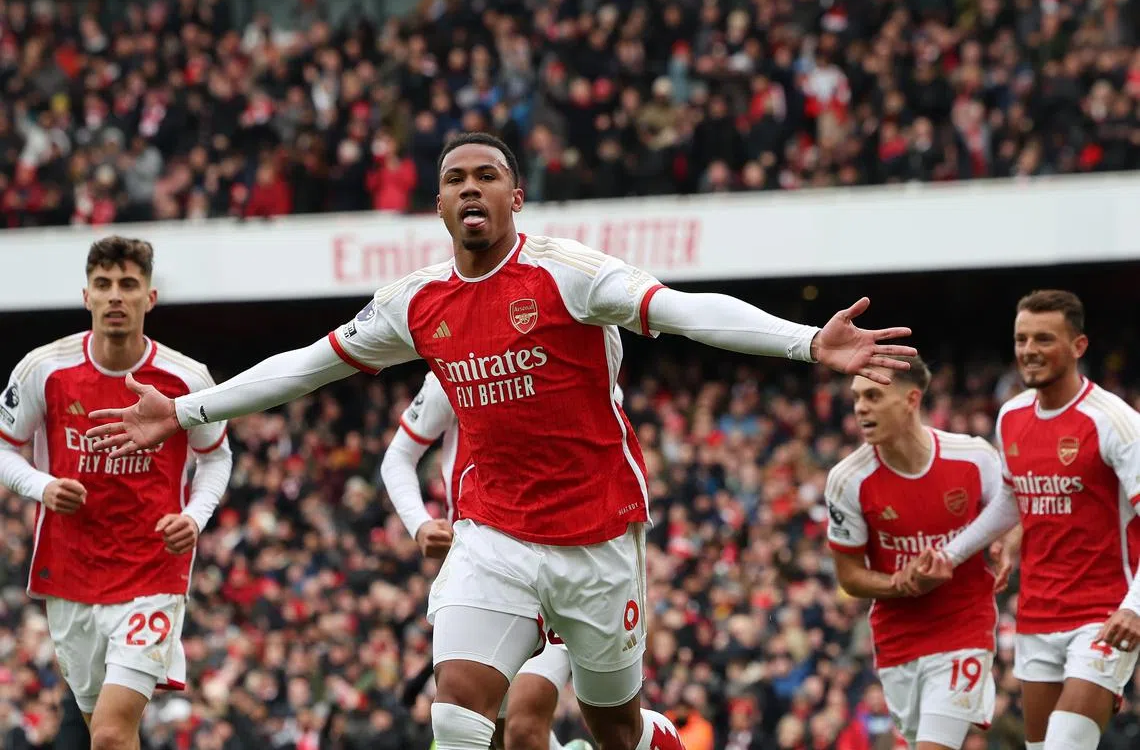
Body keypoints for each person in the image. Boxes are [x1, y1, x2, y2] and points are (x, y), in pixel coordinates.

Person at [84, 132, 914, 750]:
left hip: (597, 535)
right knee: (457, 709)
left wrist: (809, 342)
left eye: (488, 176)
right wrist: (187, 412)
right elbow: (308, 366)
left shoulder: (566, 273)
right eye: (455, 180)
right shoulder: (417, 303)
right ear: (438, 206)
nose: (471, 188)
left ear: (516, 198)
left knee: (613, 729)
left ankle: (657, 735)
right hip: (493, 534)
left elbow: (687, 309)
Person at [0, 237, 232, 750]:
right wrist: (42, 486)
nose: (115, 297)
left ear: (149, 297)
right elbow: (4, 448)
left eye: (128, 285)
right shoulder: (45, 369)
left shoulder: (184, 378)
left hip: (153, 569)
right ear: (87, 297)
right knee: (103, 732)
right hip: (71, 573)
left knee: (108, 733)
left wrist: (194, 517)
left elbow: (216, 456)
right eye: (103, 286)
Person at [909, 290, 1140, 750]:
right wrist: (950, 555)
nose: (1029, 350)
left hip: (1104, 614)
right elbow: (1012, 502)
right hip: (1036, 614)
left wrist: (1135, 607)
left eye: (1044, 339)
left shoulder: (1113, 422)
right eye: (1021, 339)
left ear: (1078, 347)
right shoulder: (1011, 416)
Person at [381, 369, 602, 750]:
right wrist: (419, 525)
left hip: (557, 563)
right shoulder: (456, 371)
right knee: (493, 731)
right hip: (482, 572)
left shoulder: (570, 358)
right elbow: (398, 456)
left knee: (521, 725)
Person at [825, 354, 1005, 750]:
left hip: (965, 627)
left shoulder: (974, 457)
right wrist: (900, 582)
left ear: (911, 400)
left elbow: (1011, 513)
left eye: (873, 395)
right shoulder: (847, 480)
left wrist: (1005, 546)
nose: (860, 408)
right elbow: (849, 576)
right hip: (898, 640)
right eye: (857, 397)